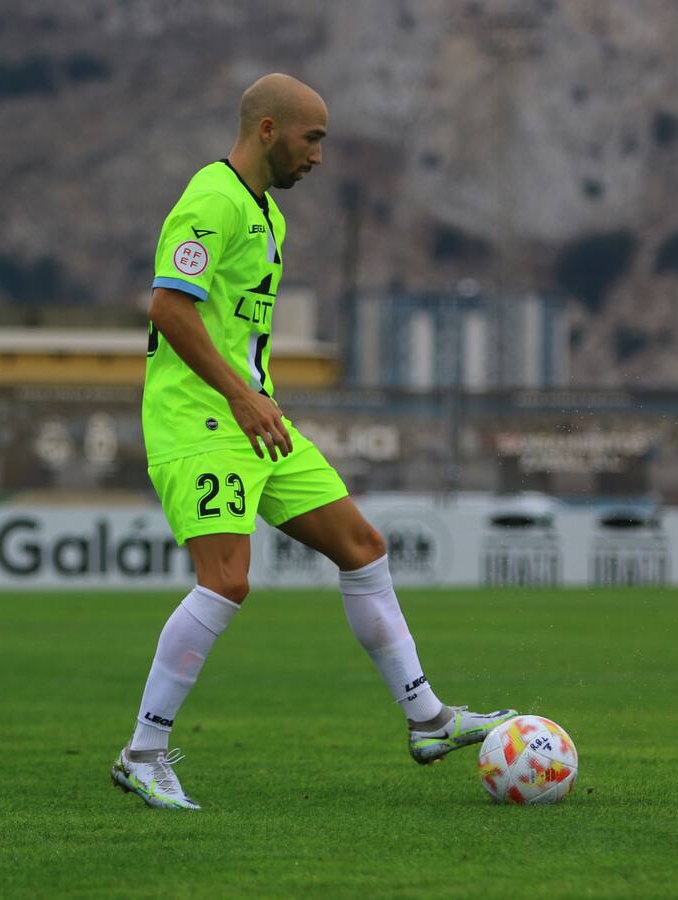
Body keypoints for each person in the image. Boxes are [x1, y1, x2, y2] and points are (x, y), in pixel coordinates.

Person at [112, 73, 516, 810]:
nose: (319, 155)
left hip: (255, 420)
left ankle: (426, 719)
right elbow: (169, 307)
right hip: (201, 422)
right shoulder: (211, 199)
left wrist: (252, 400)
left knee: (362, 547)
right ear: (268, 130)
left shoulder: (268, 215)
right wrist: (240, 396)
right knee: (226, 580)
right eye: (313, 137)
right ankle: (143, 752)